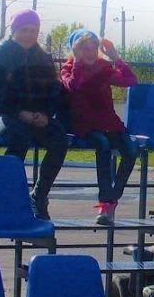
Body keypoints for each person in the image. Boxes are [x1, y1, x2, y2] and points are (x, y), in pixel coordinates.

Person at [0, 9, 68, 220]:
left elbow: (55, 91)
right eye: (24, 30)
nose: (29, 34)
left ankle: (39, 195)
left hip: (38, 116)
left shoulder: (44, 58)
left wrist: (46, 114)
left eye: (33, 30)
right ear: (15, 30)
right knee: (19, 137)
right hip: (3, 116)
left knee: (60, 139)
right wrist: (20, 113)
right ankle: (6, 195)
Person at [59, 29, 139, 224]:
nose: (90, 53)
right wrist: (78, 63)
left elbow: (130, 80)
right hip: (85, 123)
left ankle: (112, 197)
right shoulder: (69, 68)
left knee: (130, 151)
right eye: (85, 49)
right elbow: (74, 86)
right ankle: (105, 201)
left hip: (108, 121)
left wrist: (115, 58)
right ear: (76, 50)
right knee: (102, 145)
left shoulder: (103, 67)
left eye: (94, 49)